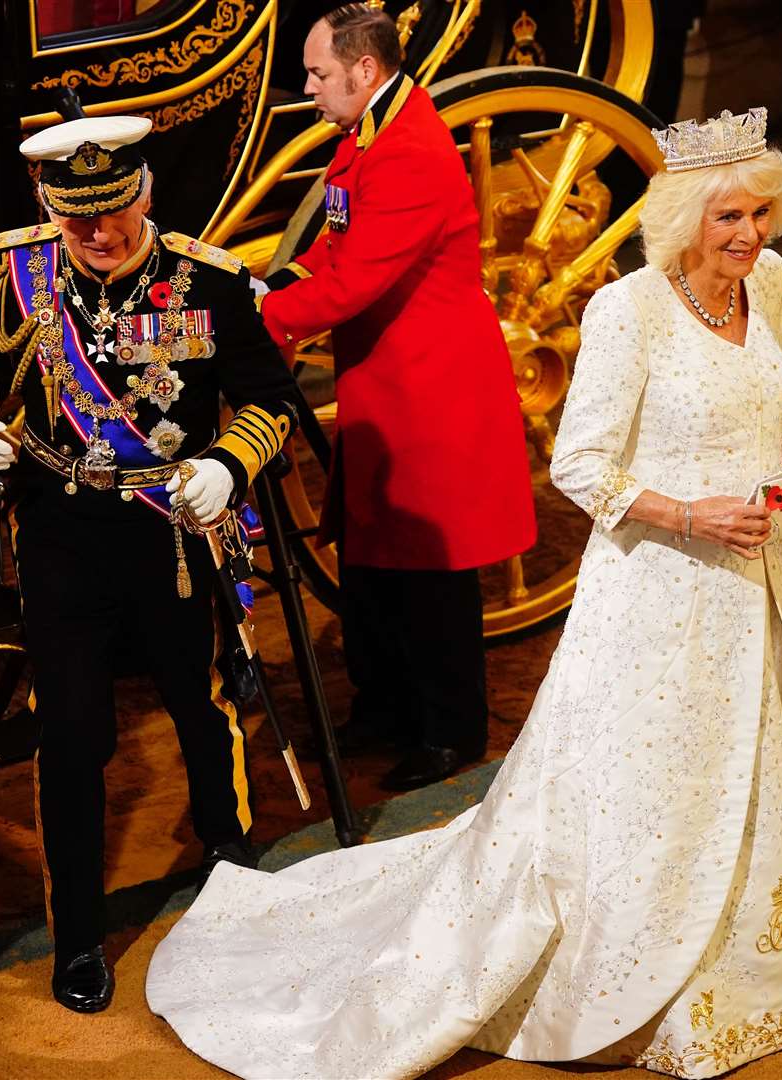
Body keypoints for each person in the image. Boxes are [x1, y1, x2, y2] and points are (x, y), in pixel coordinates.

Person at [146, 106, 782, 1079]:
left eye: (762, 213)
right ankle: (639, 987)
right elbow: (580, 466)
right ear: (684, 218)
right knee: (651, 795)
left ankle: (736, 989)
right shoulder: (629, 312)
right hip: (654, 595)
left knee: (746, 775)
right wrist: (693, 516)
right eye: (728, 217)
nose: (748, 235)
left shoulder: (770, 283)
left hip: (757, 589)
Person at [0, 115, 304, 1015]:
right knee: (71, 734)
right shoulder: (20, 268)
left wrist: (228, 462)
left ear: (143, 194)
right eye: (74, 220)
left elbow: (274, 398)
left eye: (112, 214)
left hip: (170, 531)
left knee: (200, 707)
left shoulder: (204, 279)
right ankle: (80, 935)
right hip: (62, 535)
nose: (96, 237)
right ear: (48, 208)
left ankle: (229, 868)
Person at [257, 4, 536, 791]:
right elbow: (336, 243)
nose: (308, 89)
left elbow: (358, 278)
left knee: (434, 574)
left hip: (431, 388)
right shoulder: (371, 131)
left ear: (364, 71)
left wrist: (262, 316)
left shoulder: (405, 150)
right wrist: (278, 282)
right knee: (375, 560)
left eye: (317, 74)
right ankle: (383, 706)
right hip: (388, 379)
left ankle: (450, 730)